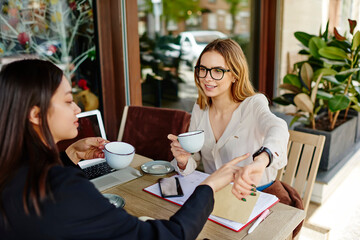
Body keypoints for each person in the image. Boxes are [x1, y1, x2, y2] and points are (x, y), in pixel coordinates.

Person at [0, 59, 249, 240]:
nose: (77, 108)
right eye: (67, 101)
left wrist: (69, 156)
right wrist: (208, 187)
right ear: (35, 114)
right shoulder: (61, 187)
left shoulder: (11, 170)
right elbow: (167, 236)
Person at [168, 38, 289, 201]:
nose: (207, 78)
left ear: (234, 75)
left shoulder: (253, 104)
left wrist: (261, 161)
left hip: (255, 195)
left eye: (218, 71)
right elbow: (194, 157)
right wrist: (183, 161)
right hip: (215, 194)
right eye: (202, 69)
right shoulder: (200, 108)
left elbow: (278, 127)